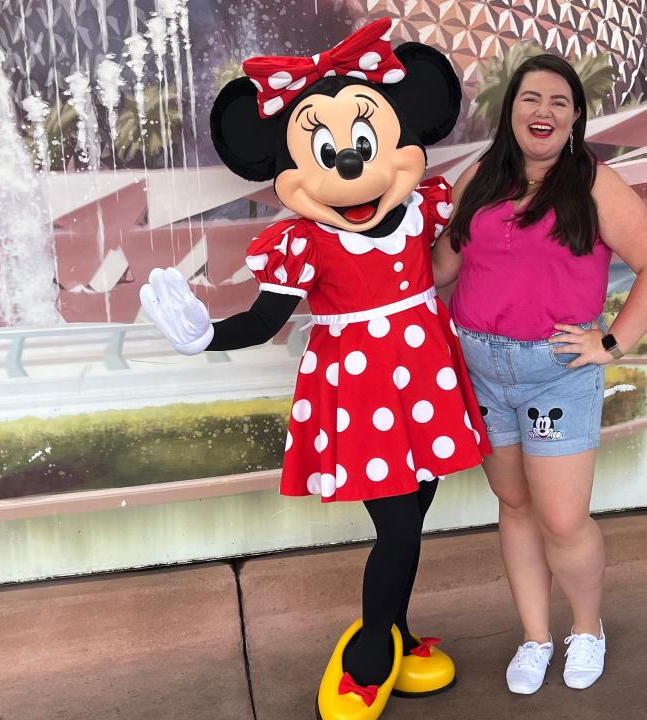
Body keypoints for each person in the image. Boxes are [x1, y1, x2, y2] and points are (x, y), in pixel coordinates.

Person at [140, 19, 490, 720]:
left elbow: (462, 246)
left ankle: (394, 630)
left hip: (423, 380)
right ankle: (368, 657)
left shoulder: (420, 207)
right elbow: (267, 319)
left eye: (363, 145)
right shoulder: (302, 240)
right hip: (363, 397)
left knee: (413, 518)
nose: (352, 167)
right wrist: (205, 336)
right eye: (329, 152)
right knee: (397, 531)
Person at [432, 53, 647, 695]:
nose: (543, 112)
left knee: (563, 520)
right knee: (514, 506)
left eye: (558, 103)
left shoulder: (592, 182)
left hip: (557, 371)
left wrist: (613, 342)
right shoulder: (479, 178)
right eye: (530, 100)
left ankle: (587, 628)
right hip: (483, 366)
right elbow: (441, 271)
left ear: (574, 118)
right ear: (510, 109)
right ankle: (535, 638)